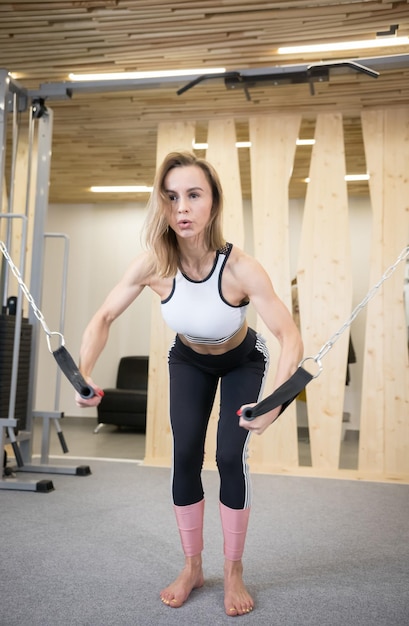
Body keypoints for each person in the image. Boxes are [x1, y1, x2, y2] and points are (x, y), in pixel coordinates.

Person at [76, 151, 303, 617]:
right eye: (172, 197)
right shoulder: (153, 266)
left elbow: (289, 336)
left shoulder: (240, 268)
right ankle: (193, 567)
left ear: (213, 204)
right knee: (183, 454)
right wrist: (84, 373)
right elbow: (103, 316)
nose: (182, 207)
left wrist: (275, 405)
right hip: (189, 360)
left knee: (227, 456)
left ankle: (234, 570)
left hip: (242, 359)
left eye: (193, 195)